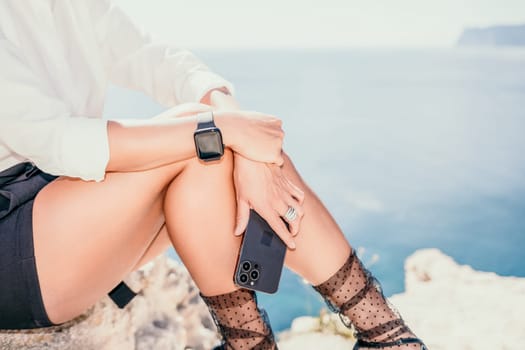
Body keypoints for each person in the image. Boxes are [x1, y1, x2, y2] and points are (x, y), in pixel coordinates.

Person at [0, 1, 426, 349]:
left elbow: (163, 62)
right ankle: (383, 334)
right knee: (202, 133)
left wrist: (238, 134)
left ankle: (372, 336)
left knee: (208, 146)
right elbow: (59, 142)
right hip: (14, 239)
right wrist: (228, 131)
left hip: (65, 214)